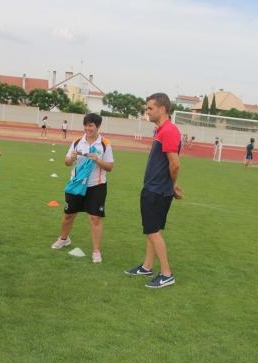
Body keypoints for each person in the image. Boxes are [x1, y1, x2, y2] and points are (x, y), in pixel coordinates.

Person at [124, 93, 182, 289]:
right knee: (152, 229)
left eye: (150, 108)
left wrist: (171, 185)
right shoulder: (161, 130)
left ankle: (167, 274)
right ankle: (147, 266)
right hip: (155, 188)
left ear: (162, 109)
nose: (146, 112)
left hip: (157, 190)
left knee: (152, 231)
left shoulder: (168, 131)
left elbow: (175, 164)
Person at [50, 113, 114, 263]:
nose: (87, 128)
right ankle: (64, 239)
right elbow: (66, 162)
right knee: (68, 215)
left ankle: (96, 251)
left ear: (98, 127)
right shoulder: (77, 141)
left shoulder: (105, 144)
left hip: (96, 185)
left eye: (91, 125)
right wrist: (70, 159)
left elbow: (110, 167)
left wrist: (98, 160)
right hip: (76, 184)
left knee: (95, 218)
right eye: (85, 125)